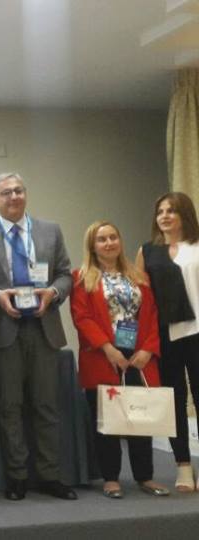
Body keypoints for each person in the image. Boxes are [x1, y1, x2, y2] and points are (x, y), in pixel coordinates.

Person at [0, 172, 76, 501]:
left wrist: (52, 293)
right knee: (9, 407)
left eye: (18, 190)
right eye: (6, 193)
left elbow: (65, 275)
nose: (14, 197)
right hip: (4, 330)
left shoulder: (50, 230)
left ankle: (50, 475)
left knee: (46, 406)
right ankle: (17, 476)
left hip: (44, 327)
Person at [72, 220, 169, 499]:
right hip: (103, 355)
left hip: (139, 356)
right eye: (102, 239)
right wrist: (108, 349)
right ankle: (111, 478)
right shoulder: (81, 278)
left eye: (113, 237)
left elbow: (152, 315)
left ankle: (145, 476)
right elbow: (82, 317)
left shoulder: (139, 277)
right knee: (107, 422)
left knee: (141, 417)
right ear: (92, 245)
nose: (109, 243)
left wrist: (148, 349)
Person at [135, 192, 199, 492]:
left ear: (185, 214)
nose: (164, 216)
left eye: (171, 210)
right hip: (165, 336)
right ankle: (183, 465)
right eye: (160, 211)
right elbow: (141, 299)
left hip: (197, 332)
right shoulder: (147, 251)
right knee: (173, 401)